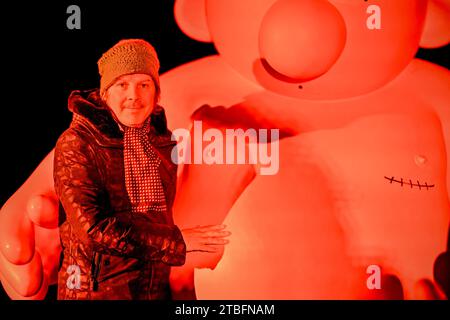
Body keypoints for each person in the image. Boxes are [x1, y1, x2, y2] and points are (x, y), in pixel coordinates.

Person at [54, 39, 230, 300]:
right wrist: (179, 243)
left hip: (151, 289)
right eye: (122, 85)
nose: (133, 95)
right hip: (94, 292)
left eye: (143, 85)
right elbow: (93, 229)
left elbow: (160, 219)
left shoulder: (161, 141)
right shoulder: (78, 142)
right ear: (106, 93)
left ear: (156, 93)